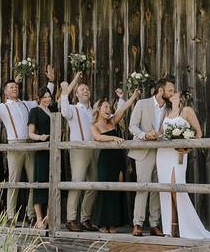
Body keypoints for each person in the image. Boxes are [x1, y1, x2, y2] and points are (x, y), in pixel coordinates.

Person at [0, 64, 55, 225]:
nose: (15, 88)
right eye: (11, 87)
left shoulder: (26, 104)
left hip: (30, 145)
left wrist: (51, 82)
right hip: (14, 146)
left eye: (16, 86)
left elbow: (43, 100)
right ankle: (10, 216)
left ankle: (31, 214)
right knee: (13, 182)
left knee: (33, 182)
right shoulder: (2, 107)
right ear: (5, 91)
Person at [157, 87, 210, 240]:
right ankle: (170, 229)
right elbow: (161, 133)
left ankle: (187, 227)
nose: (170, 94)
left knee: (176, 188)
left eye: (173, 92)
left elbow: (198, 133)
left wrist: (188, 147)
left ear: (179, 95)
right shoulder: (167, 112)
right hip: (163, 154)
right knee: (165, 190)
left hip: (178, 154)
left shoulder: (187, 111)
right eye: (169, 92)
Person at [127, 77, 170, 237]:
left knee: (157, 189)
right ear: (161, 91)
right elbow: (132, 126)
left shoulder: (169, 109)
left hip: (161, 153)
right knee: (143, 187)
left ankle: (154, 224)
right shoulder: (142, 104)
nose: (172, 93)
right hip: (144, 151)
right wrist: (145, 135)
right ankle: (137, 224)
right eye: (170, 90)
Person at [92, 91, 139, 232]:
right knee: (105, 190)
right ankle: (102, 223)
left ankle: (113, 223)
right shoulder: (94, 125)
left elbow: (123, 109)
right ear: (99, 110)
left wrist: (134, 96)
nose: (108, 110)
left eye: (109, 107)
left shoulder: (112, 121)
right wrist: (113, 138)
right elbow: (98, 138)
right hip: (105, 161)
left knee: (116, 190)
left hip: (118, 160)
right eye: (105, 107)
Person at [59, 71, 98, 232]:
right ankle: (71, 219)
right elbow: (63, 109)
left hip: (94, 149)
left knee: (94, 184)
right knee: (77, 183)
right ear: (75, 94)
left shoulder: (93, 111)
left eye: (87, 89)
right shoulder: (72, 109)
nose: (85, 91)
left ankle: (85, 218)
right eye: (82, 89)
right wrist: (68, 87)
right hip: (79, 149)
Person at [27, 86, 54, 229]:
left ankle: (49, 216)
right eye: (44, 97)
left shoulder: (53, 110)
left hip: (54, 151)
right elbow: (30, 133)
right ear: (39, 98)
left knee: (53, 182)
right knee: (40, 182)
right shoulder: (35, 111)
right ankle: (38, 218)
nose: (47, 99)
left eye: (49, 96)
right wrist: (40, 137)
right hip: (42, 149)